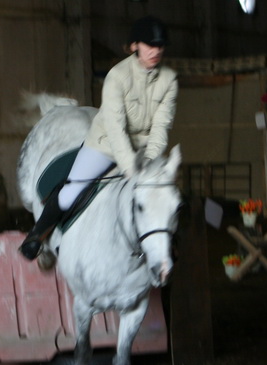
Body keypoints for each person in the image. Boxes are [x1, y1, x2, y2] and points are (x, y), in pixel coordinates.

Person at [20, 15, 179, 260]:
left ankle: (165, 250)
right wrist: (130, 168)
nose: (156, 51)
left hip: (144, 151)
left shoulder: (169, 80)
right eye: (150, 45)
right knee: (70, 193)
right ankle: (37, 236)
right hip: (105, 146)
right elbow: (115, 128)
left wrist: (149, 160)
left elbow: (161, 126)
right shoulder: (117, 76)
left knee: (164, 194)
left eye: (160, 46)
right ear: (135, 46)